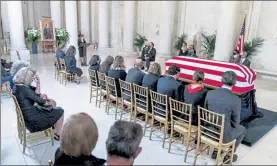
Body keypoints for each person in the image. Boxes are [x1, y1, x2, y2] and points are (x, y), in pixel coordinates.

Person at [204, 71, 246, 163]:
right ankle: (228, 155)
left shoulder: (210, 93)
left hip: (208, 130)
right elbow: (235, 123)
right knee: (242, 129)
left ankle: (216, 151)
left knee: (223, 124)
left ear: (221, 80)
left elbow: (205, 111)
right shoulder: (236, 100)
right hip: (223, 135)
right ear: (235, 83)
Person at [13, 67, 64, 140]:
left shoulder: (17, 86)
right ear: (26, 77)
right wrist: (45, 101)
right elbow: (41, 102)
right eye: (31, 78)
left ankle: (53, 127)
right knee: (60, 110)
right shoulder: (25, 90)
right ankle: (57, 134)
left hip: (26, 117)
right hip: (33, 121)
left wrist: (38, 83)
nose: (32, 80)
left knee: (52, 105)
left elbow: (36, 95)